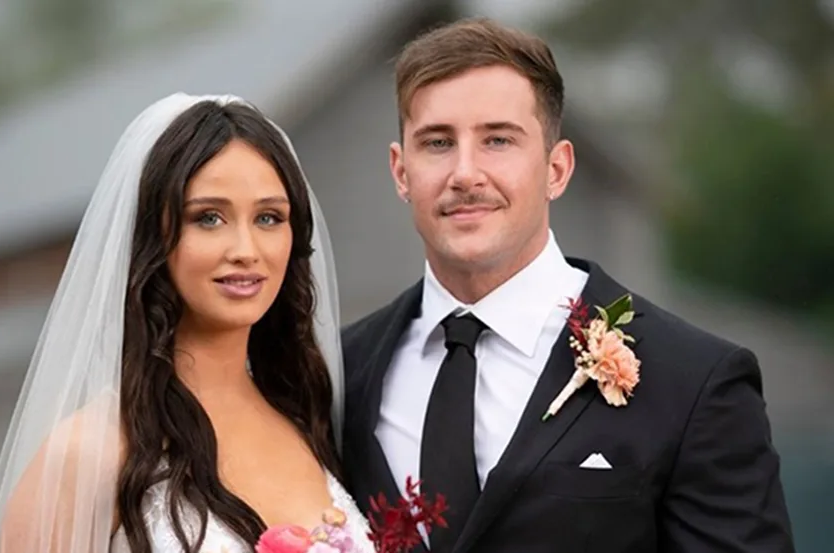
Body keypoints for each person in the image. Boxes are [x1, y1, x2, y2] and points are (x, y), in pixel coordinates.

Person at [341, 17, 795, 553]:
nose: (464, 173)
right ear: (401, 171)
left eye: (498, 140)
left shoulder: (696, 382)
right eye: (437, 142)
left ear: (557, 169)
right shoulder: (340, 374)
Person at [0, 93, 374, 553]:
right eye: (208, 218)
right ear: (154, 235)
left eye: (268, 217)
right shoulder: (89, 451)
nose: (245, 249)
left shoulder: (307, 418)